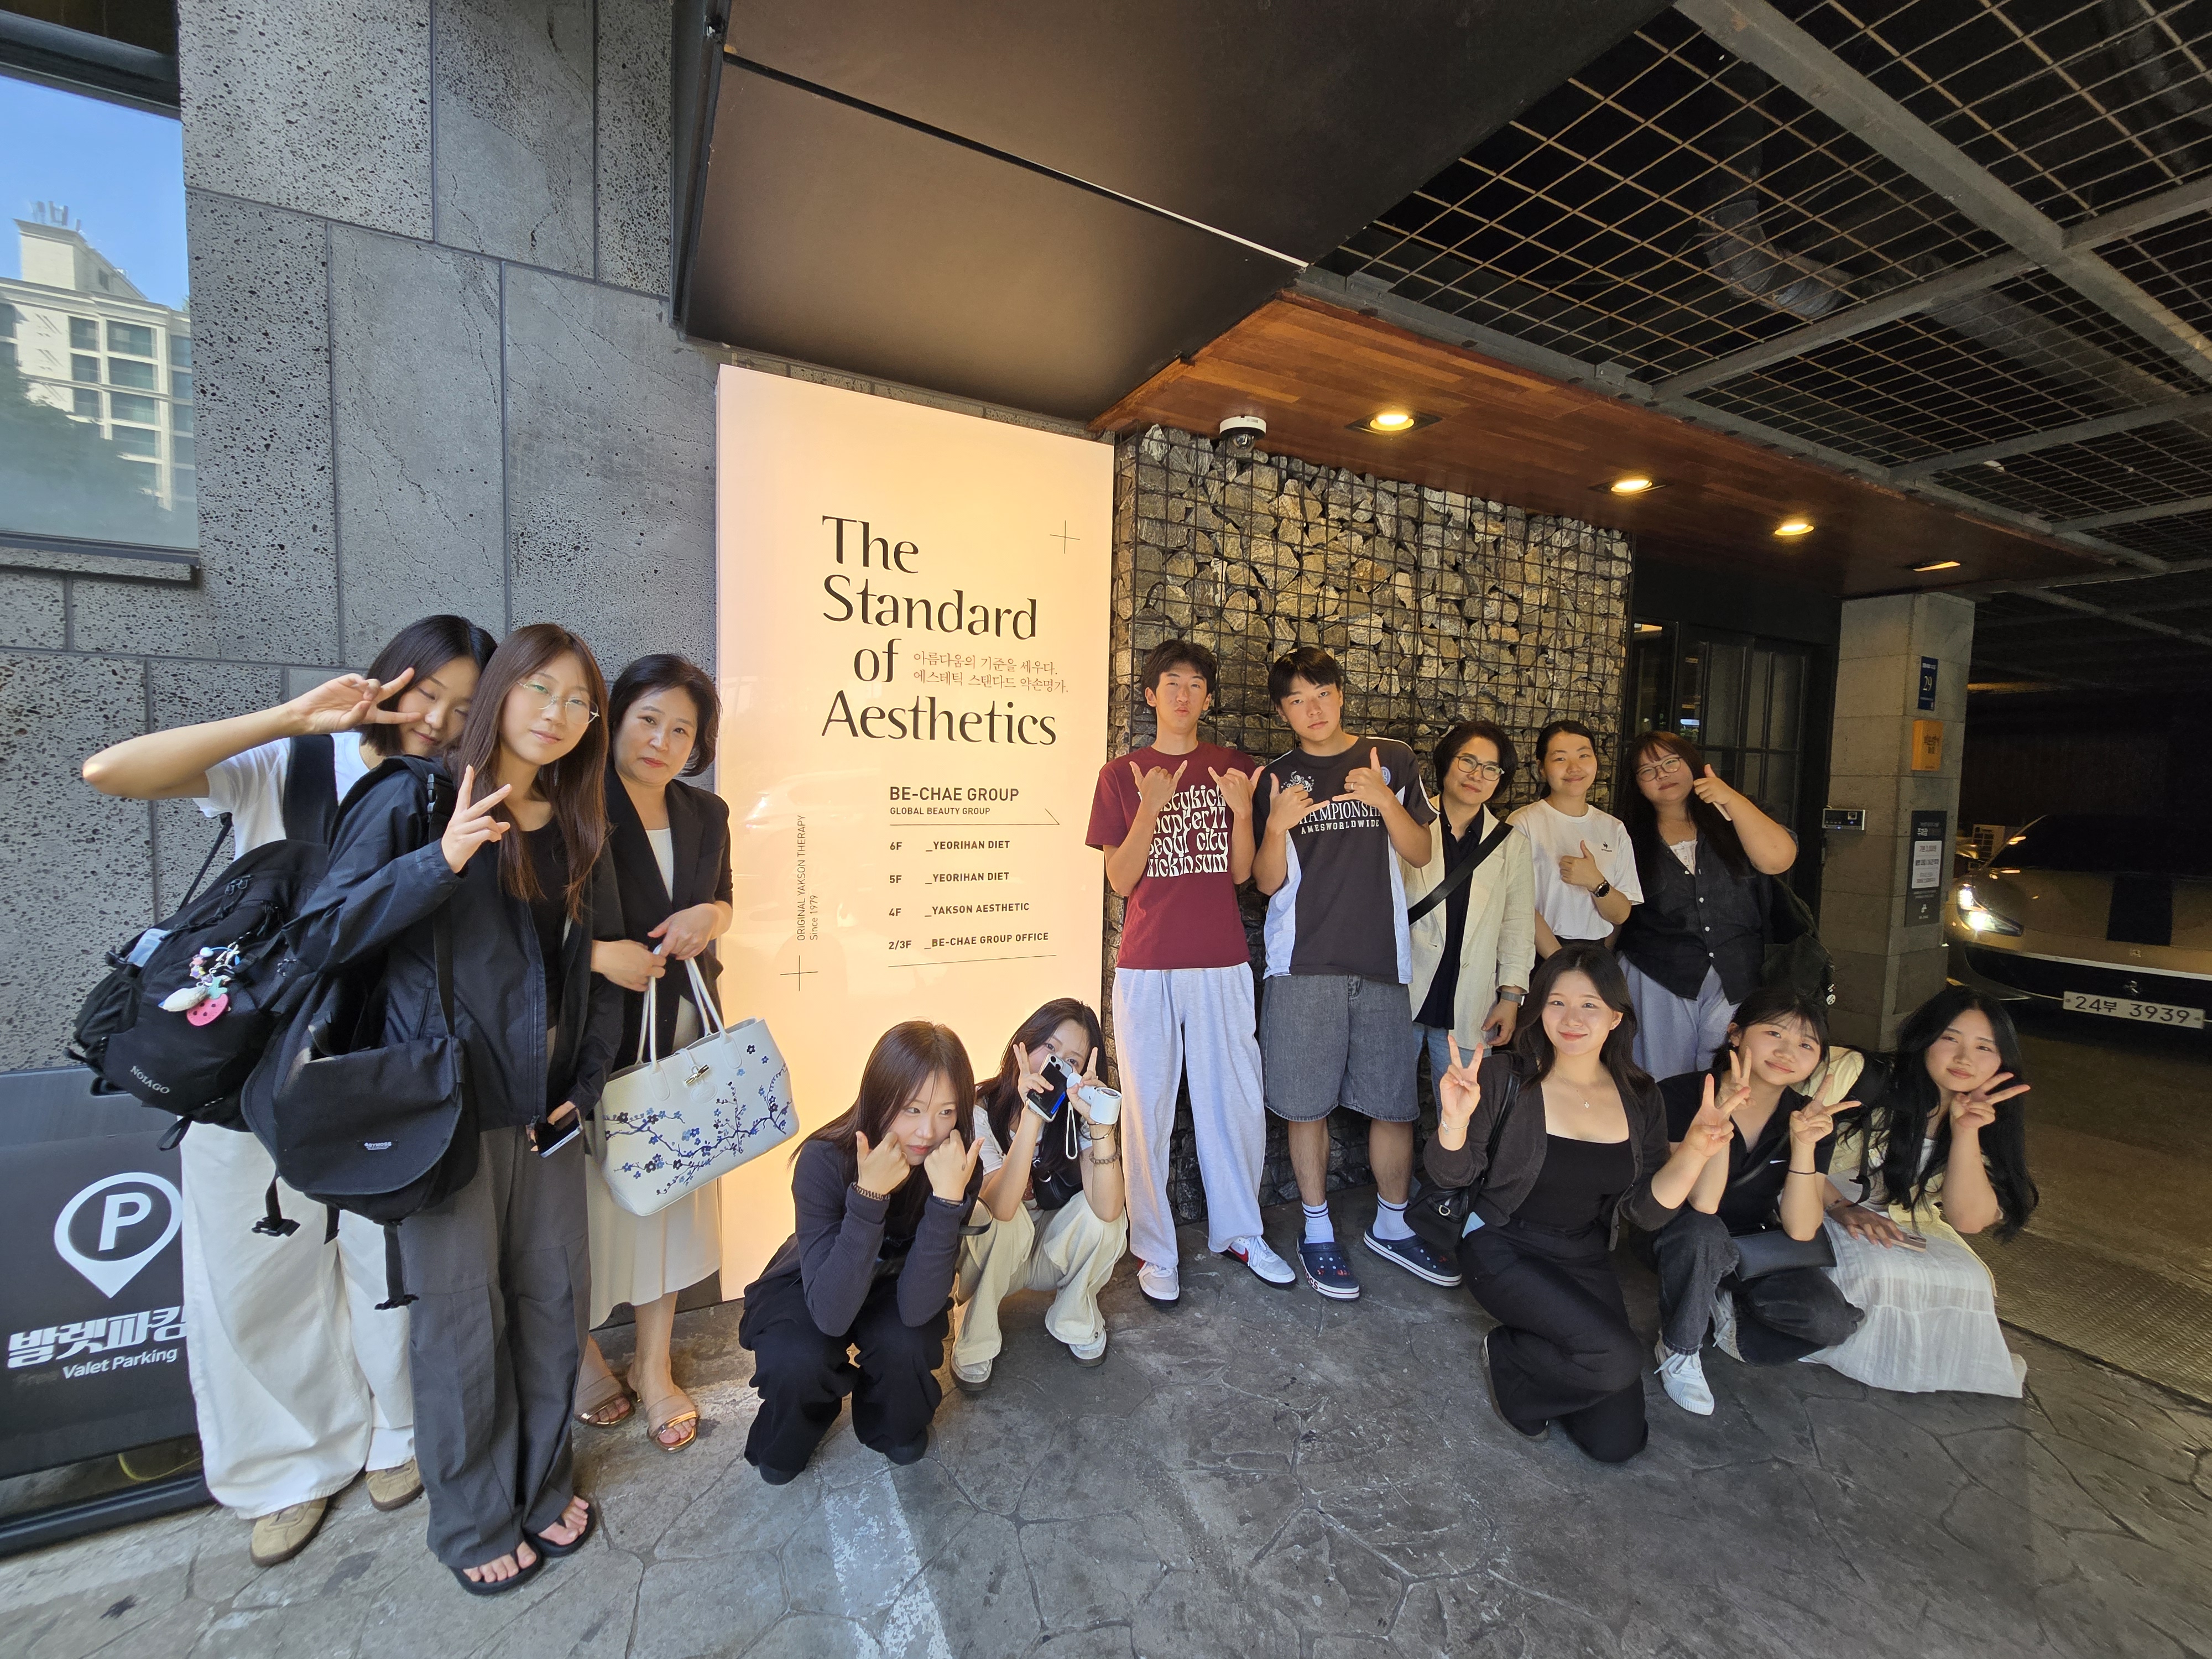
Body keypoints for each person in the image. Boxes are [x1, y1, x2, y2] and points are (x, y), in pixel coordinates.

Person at [78, 613, 495, 1567]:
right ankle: (286, 1465)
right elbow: (110, 771)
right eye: (425, 693)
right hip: (247, 1061)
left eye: (462, 708)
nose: (435, 720)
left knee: (384, 1256)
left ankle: (397, 1429)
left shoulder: (452, 793)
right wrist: (289, 718)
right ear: (387, 678)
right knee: (252, 1267)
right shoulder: (294, 762)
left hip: (374, 1063)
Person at [296, 623, 624, 1594]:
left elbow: (594, 975)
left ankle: (542, 1484)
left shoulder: (578, 822)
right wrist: (437, 861)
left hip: (547, 1110)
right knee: (458, 1322)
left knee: (552, 1303)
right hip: (446, 1110)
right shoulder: (412, 797)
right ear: (501, 693)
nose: (559, 714)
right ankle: (477, 1518)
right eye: (541, 690)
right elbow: (322, 933)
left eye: (580, 702)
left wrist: (582, 1088)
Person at [1425, 944, 1726, 1462]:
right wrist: (1453, 1120)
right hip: (1503, 1245)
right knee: (1615, 1359)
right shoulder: (1504, 1078)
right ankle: (1511, 1357)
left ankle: (1537, 1347)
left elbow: (1646, 1212)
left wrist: (1697, 1150)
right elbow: (1450, 1173)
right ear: (1539, 1010)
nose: (1572, 1019)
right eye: (1557, 1002)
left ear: (1616, 1017)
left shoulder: (1641, 1096)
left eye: (1590, 1005)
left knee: (1618, 1442)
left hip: (1584, 1255)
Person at [1086, 638, 1290, 1306]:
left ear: (1207, 697)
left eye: (1195, 684)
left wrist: (1241, 812)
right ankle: (1153, 1248)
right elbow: (1120, 880)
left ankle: (1240, 1231)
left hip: (1221, 959)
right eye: (1171, 682)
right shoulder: (1120, 775)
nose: (1182, 694)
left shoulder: (1233, 768)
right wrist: (1150, 806)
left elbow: (1239, 873)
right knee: (1146, 1108)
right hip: (1147, 964)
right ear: (1150, 695)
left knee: (1234, 1099)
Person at [570, 654, 733, 1452]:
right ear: (615, 718)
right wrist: (601, 957)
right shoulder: (572, 800)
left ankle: (655, 1364)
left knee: (667, 1198)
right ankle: (581, 1358)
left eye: (681, 730)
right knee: (584, 1210)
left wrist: (713, 917)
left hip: (681, 1039)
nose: (662, 742)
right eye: (648, 721)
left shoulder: (706, 812)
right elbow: (523, 921)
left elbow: (722, 899)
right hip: (591, 1041)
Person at [1251, 645, 1448, 1300]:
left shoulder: (1389, 758)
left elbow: (1420, 851)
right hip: (1302, 963)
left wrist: (1384, 799)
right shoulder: (1274, 778)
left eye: (1322, 694)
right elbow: (1265, 881)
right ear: (1282, 712)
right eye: (1297, 700)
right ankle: (1316, 1230)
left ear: (1340, 694)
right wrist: (1276, 827)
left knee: (1393, 1104)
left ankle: (1392, 1224)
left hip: (1382, 961)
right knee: (1305, 1105)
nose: (1313, 709)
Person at [739, 1022, 986, 1484]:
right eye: (912, 1109)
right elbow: (831, 1314)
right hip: (819, 1274)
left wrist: (946, 1201)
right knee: (797, 1355)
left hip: (899, 1278)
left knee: (907, 1343)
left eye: (946, 1112)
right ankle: (796, 1427)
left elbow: (918, 1310)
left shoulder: (954, 1168)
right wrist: (869, 1198)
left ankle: (888, 1421)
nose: (928, 1131)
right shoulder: (823, 1158)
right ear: (879, 1097)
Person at [1647, 986, 1866, 1416]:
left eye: (1806, 1045)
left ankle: (1719, 1303)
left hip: (1750, 1243)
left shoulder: (1809, 1117)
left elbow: (1801, 1229)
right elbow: (1703, 1202)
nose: (1787, 1052)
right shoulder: (1679, 1095)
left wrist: (1804, 1145)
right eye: (1774, 1034)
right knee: (1704, 1232)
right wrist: (1722, 1116)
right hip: (1678, 1232)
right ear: (1735, 1034)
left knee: (1832, 1323)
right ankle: (1679, 1346)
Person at [1808, 987, 2037, 1396]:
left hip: (1898, 1216)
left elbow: (1969, 1220)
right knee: (1880, 1270)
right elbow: (1777, 1145)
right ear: (1925, 1037)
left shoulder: (1990, 1114)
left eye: (1984, 1047)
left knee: (1969, 1279)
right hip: (1808, 1198)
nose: (1965, 1058)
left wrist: (1966, 1132)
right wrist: (1839, 1206)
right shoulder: (1859, 1073)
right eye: (1951, 1039)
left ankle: (1910, 1366)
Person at [951, 1000, 1128, 1390]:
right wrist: (1033, 1114)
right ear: (1025, 1043)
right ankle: (975, 1329)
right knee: (999, 1219)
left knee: (1108, 1222)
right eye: (1050, 1047)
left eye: (1072, 1060)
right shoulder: (981, 1108)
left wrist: (1100, 1125)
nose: (1056, 1064)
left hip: (1048, 1248)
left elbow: (1108, 1209)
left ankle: (1073, 1315)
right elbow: (1000, 1207)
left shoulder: (1077, 1113)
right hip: (997, 1252)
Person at [1616, 733, 1798, 1078]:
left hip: (1739, 973)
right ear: (1637, 784)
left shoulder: (1734, 816)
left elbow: (1778, 860)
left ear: (1693, 764)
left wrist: (1730, 798)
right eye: (1648, 771)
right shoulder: (1626, 835)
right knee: (1663, 1083)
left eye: (1671, 762)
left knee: (1730, 1080)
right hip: (1658, 976)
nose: (1663, 774)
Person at [1405, 719, 1536, 1081]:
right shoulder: (1407, 823)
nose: (1477, 775)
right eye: (1468, 761)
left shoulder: (1512, 844)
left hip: (1469, 999)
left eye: (1491, 768)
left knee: (1463, 1107)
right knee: (1388, 1104)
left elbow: (1517, 928)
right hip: (1403, 993)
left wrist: (1510, 999)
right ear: (1447, 761)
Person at [1507, 720, 1640, 961]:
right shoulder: (1524, 823)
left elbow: (1621, 914)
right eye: (1560, 759)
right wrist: (1560, 963)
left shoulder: (1614, 828)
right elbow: (1517, 903)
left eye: (1584, 756)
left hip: (1595, 956)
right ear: (1541, 768)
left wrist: (1596, 882)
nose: (1574, 768)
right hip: (1540, 954)